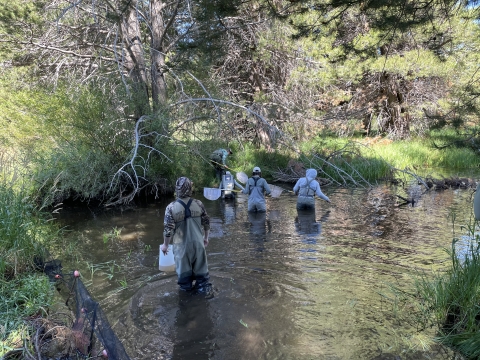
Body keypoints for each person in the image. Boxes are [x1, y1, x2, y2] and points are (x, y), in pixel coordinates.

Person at [161, 177, 213, 297]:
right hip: (199, 247)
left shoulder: (171, 208)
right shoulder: (199, 204)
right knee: (203, 282)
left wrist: (165, 245)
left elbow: (168, 230)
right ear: (190, 188)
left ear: (177, 189)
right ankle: (203, 304)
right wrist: (206, 238)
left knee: (185, 286)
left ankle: (188, 308)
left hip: (181, 249)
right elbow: (207, 223)